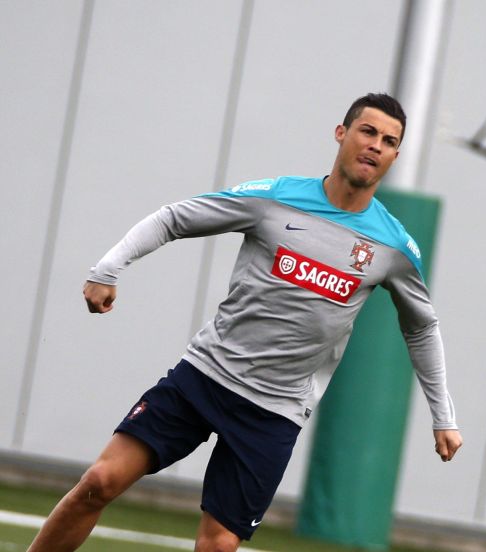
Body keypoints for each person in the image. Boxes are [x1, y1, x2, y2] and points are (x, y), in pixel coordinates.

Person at [28, 92, 462, 552]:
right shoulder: (276, 199)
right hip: (205, 377)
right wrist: (107, 269)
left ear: (395, 155)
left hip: (273, 412)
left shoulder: (394, 247)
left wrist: (443, 415)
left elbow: (421, 327)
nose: (375, 145)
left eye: (389, 140)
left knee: (218, 545)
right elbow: (176, 217)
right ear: (342, 133)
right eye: (367, 131)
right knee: (99, 481)